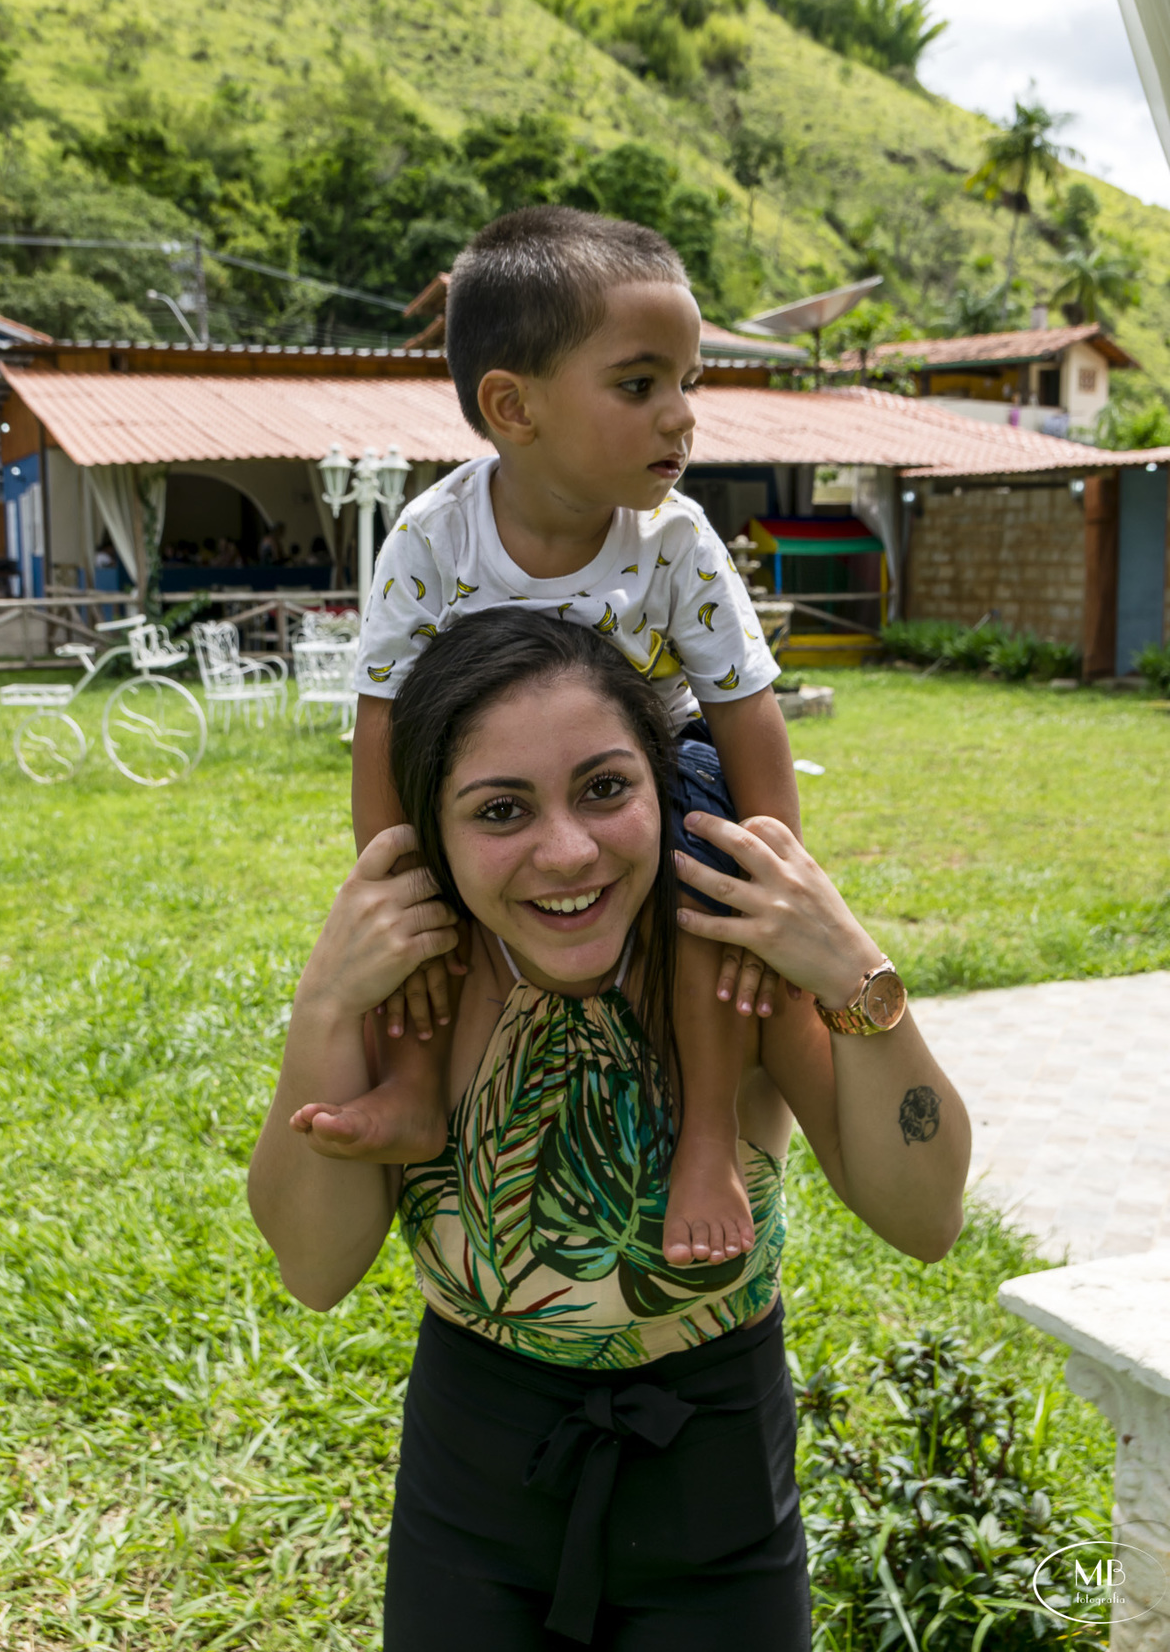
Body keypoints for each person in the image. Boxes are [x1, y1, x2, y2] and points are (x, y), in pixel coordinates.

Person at [249, 611, 971, 1652]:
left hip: (717, 1473)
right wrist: (325, 1005)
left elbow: (925, 1216)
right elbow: (313, 1270)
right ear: (434, 836)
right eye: (501, 810)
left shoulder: (729, 969)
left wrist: (855, 973)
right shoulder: (416, 990)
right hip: (475, 1478)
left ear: (661, 788)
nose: (566, 851)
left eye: (604, 789)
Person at [347, 206, 802, 1266]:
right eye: (641, 385)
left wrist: (770, 873)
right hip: (492, 781)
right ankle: (414, 1089)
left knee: (710, 902)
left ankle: (706, 1143)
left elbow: (746, 716)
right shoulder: (433, 537)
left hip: (658, 773)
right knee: (429, 908)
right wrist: (392, 888)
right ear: (514, 407)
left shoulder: (676, 539)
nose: (681, 417)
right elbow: (380, 732)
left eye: (691, 382)